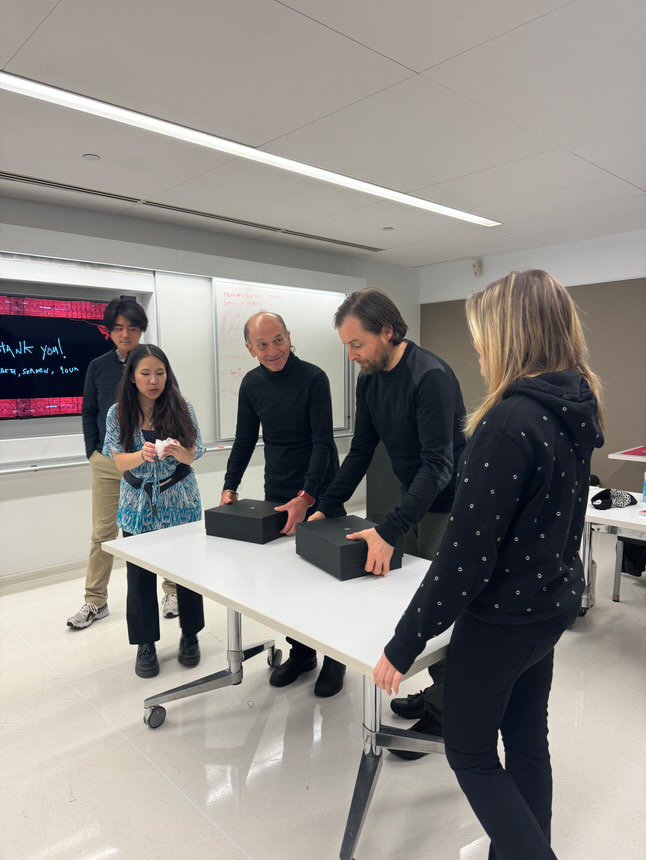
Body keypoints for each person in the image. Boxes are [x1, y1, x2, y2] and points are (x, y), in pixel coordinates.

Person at [374, 270, 604, 859]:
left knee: (470, 751)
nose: (476, 347)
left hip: (503, 619)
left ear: (512, 335)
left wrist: (404, 643)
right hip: (549, 605)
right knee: (527, 742)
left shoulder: (507, 423)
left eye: (482, 334)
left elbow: (464, 559)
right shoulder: (575, 402)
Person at [309, 289, 465, 749]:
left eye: (357, 344)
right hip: (415, 499)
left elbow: (439, 465)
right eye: (347, 347)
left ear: (388, 332)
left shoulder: (430, 377)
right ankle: (439, 691)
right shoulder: (371, 380)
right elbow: (360, 451)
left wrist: (389, 530)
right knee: (413, 601)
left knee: (441, 608)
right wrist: (327, 505)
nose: (352, 355)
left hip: (450, 504)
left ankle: (446, 710)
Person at [220, 311, 346, 697]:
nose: (273, 350)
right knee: (289, 582)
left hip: (320, 491)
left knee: (327, 580)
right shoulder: (252, 384)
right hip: (277, 491)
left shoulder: (313, 378)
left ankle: (336, 659)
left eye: (278, 340)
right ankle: (302, 652)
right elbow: (244, 440)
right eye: (263, 344)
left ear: (289, 337)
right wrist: (230, 486)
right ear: (250, 348)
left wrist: (308, 497)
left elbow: (323, 441)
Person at [67, 298, 179, 629]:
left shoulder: (153, 362)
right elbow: (89, 411)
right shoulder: (98, 367)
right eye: (118, 328)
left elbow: (172, 407)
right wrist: (94, 450)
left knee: (163, 527)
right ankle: (94, 601)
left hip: (150, 464)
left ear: (141, 329)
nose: (125, 334)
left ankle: (172, 590)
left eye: (132, 327)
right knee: (103, 531)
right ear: (109, 332)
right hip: (108, 462)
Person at [103, 344, 206, 677]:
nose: (153, 380)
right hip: (138, 505)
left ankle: (190, 636)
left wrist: (177, 451)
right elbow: (118, 459)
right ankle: (145, 644)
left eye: (159, 373)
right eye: (145, 373)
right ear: (132, 377)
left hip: (180, 502)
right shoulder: (119, 413)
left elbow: (195, 455)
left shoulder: (182, 408)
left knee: (188, 575)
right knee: (139, 577)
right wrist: (142, 455)